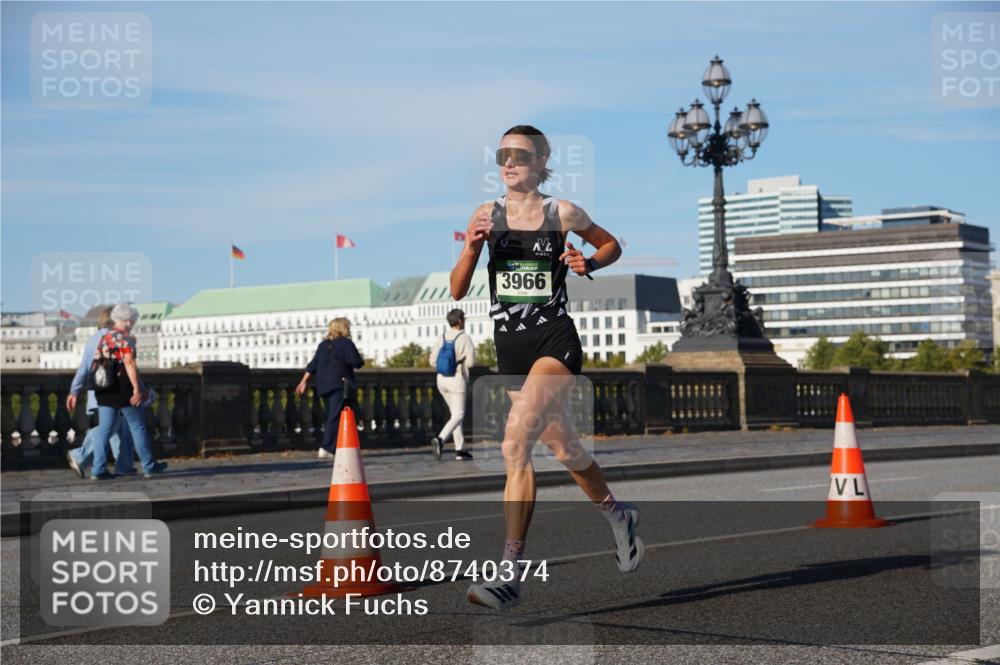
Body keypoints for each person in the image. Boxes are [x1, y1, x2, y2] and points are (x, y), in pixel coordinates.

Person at [450, 125, 638, 610]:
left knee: (515, 441)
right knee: (567, 448)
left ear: (540, 164)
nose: (509, 162)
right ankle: (620, 516)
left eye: (520, 155)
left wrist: (588, 264)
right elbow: (456, 289)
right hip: (510, 349)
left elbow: (611, 244)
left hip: (555, 340)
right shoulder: (485, 215)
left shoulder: (562, 212)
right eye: (502, 154)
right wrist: (472, 246)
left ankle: (510, 572)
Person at [89, 304, 168, 480]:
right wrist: (138, 389)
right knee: (138, 427)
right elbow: (129, 362)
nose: (133, 323)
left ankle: (98, 469)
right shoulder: (126, 338)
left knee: (104, 430)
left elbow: (97, 363)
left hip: (104, 389)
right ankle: (149, 466)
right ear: (127, 320)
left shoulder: (105, 337)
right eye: (133, 320)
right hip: (124, 389)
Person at [66, 306, 136, 478]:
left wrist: (74, 391)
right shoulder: (116, 338)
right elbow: (127, 365)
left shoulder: (92, 340)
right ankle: (80, 455)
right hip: (114, 392)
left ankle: (124, 465)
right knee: (109, 428)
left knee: (119, 428)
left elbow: (83, 369)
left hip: (97, 392)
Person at [296, 317, 364, 458]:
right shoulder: (346, 343)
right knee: (337, 415)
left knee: (333, 415)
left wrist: (303, 381)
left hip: (323, 385)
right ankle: (327, 447)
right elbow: (357, 362)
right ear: (344, 328)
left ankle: (335, 447)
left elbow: (312, 365)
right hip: (339, 384)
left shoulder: (323, 345)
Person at [429, 308, 475, 461]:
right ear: (460, 320)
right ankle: (440, 440)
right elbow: (471, 362)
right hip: (457, 379)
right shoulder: (464, 338)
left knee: (454, 415)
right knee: (458, 414)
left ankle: (460, 450)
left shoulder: (441, 337)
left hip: (441, 379)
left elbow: (432, 361)